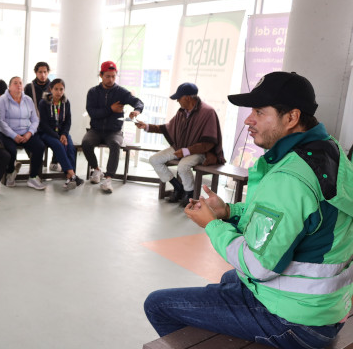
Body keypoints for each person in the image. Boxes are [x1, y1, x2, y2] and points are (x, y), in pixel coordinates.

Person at [144, 72, 353, 349]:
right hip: (324, 307)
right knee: (230, 279)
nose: (247, 120)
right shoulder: (328, 149)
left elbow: (258, 266)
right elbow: (290, 216)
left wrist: (212, 225)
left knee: (158, 304)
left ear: (291, 118)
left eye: (258, 112)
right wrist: (229, 211)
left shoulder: (290, 177)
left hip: (295, 323)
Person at [136, 82, 225, 207]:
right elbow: (168, 127)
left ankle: (189, 194)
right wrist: (147, 126)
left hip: (200, 152)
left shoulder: (208, 112)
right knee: (154, 160)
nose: (177, 100)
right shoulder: (182, 112)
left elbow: (208, 143)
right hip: (180, 147)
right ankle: (178, 188)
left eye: (179, 97)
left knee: (183, 166)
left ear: (188, 97)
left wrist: (186, 151)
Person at [82, 61, 144, 194]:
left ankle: (108, 179)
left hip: (114, 131)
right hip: (96, 130)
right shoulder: (92, 92)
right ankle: (97, 170)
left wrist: (137, 111)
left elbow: (138, 102)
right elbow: (93, 113)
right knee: (86, 143)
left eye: (113, 76)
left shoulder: (121, 92)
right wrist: (111, 109)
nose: (110, 79)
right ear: (101, 75)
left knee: (115, 144)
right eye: (107, 76)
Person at [0, 76, 46, 190]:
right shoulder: (2, 100)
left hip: (25, 132)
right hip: (6, 133)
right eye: (15, 83)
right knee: (11, 150)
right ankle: (10, 173)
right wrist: (14, 135)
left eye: (21, 83)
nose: (19, 85)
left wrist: (30, 133)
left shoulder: (28, 100)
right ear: (10, 86)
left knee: (40, 147)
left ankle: (33, 177)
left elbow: (35, 120)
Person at [37, 78, 83, 190]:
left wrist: (64, 134)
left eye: (61, 89)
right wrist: (58, 137)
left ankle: (69, 177)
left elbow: (68, 121)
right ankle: (73, 175)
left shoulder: (66, 102)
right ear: (50, 89)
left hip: (62, 133)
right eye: (56, 89)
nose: (59, 92)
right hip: (46, 133)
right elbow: (43, 124)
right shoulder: (43, 103)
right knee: (58, 145)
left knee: (70, 147)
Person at [24, 61, 60, 171]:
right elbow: (25, 105)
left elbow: (59, 103)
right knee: (27, 136)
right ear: (35, 73)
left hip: (50, 121)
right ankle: (35, 158)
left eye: (45, 72)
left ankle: (54, 161)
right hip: (32, 121)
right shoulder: (29, 87)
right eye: (40, 72)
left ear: (48, 72)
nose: (43, 75)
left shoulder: (54, 87)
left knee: (59, 134)